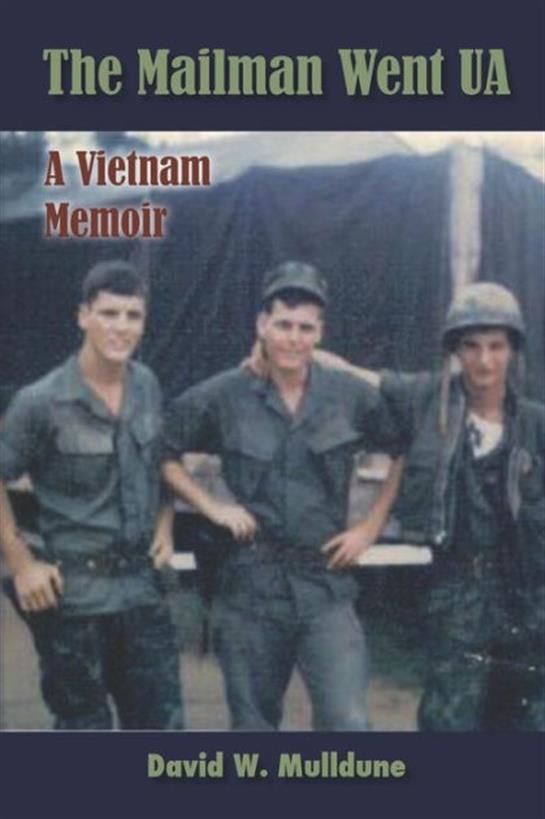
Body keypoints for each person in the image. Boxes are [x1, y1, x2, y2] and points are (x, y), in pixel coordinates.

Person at [161, 260, 404, 731]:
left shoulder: (349, 394)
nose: (294, 338)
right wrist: (211, 506)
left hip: (325, 583)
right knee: (253, 727)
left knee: (348, 722)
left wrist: (370, 527)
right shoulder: (225, 395)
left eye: (305, 328)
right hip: (250, 585)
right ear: (262, 325)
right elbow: (162, 448)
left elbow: (404, 446)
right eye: (284, 325)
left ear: (320, 332)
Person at [301, 282, 544, 731]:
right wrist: (287, 353)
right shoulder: (427, 402)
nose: (484, 360)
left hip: (530, 598)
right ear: (455, 351)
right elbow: (356, 375)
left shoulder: (535, 425)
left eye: (495, 346)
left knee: (528, 725)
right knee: (448, 723)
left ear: (512, 349)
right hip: (456, 590)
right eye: (471, 347)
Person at [0, 260, 183, 730]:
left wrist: (166, 523)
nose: (121, 327)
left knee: (162, 730)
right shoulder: (41, 402)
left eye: (132, 316)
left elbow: (160, 463)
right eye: (109, 313)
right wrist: (21, 564)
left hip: (143, 592)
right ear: (83, 316)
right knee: (85, 734)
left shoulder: (147, 386)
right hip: (77, 599)